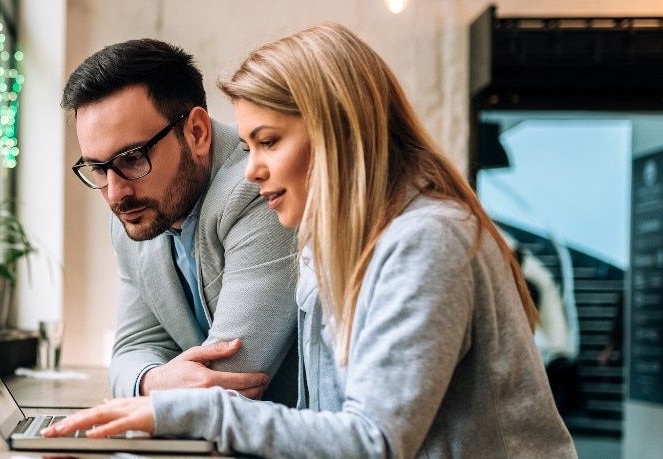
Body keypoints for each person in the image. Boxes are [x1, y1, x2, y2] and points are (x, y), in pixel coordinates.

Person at [45, 23, 577, 457]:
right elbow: (322, 419)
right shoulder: (333, 244)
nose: (251, 171)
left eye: (269, 142)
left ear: (339, 132)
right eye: (250, 146)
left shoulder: (428, 240)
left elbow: (376, 442)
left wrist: (184, 408)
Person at [62, 39, 300, 404]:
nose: (114, 194)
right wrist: (152, 381)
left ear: (197, 133)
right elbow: (132, 349)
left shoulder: (262, 187)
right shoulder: (138, 215)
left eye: (132, 158)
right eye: (98, 168)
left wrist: (155, 386)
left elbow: (231, 376)